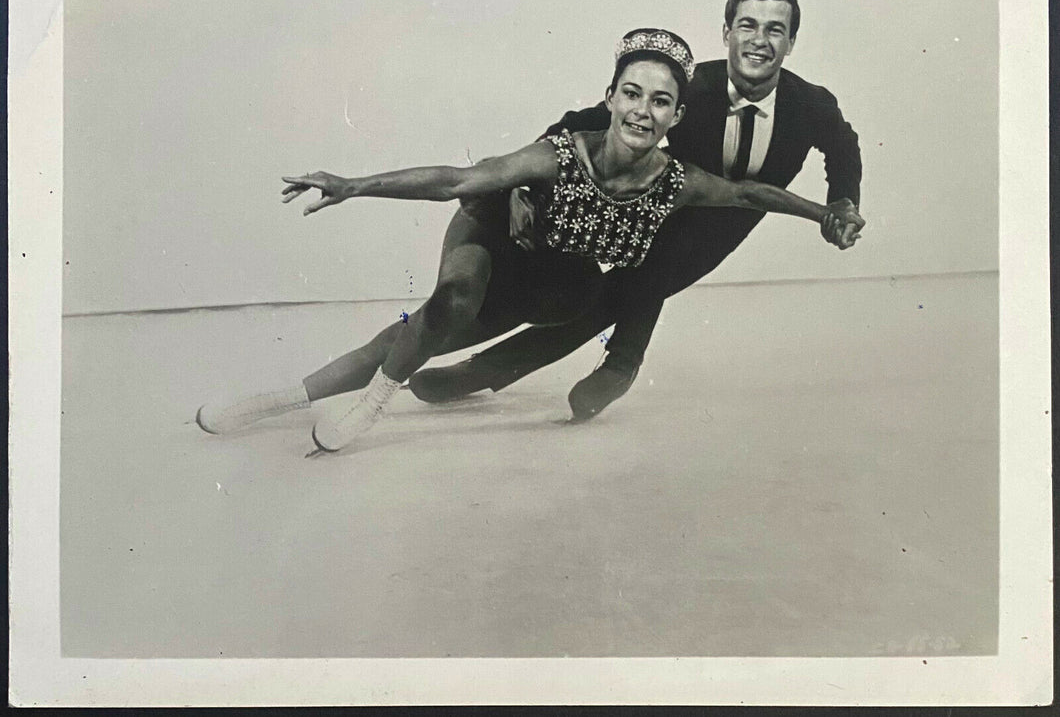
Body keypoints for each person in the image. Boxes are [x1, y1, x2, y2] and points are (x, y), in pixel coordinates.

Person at [195, 27, 864, 455]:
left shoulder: (678, 181)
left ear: (676, 116)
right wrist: (356, 183)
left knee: (564, 299)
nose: (642, 111)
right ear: (610, 96)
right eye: (631, 93)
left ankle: (420, 379)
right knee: (449, 303)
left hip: (546, 273)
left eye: (660, 102)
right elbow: (462, 178)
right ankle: (313, 404)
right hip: (491, 234)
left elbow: (751, 194)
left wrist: (826, 212)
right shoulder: (561, 154)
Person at [408, 0, 863, 421]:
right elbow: (583, 120)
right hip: (665, 206)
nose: (759, 41)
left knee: (618, 297)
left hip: (731, 220)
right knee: (591, 292)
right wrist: (518, 186)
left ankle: (535, 369)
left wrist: (842, 201)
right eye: (747, 25)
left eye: (774, 29)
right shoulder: (689, 87)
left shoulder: (811, 105)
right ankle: (582, 367)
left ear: (792, 42)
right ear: (727, 33)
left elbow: (843, 147)